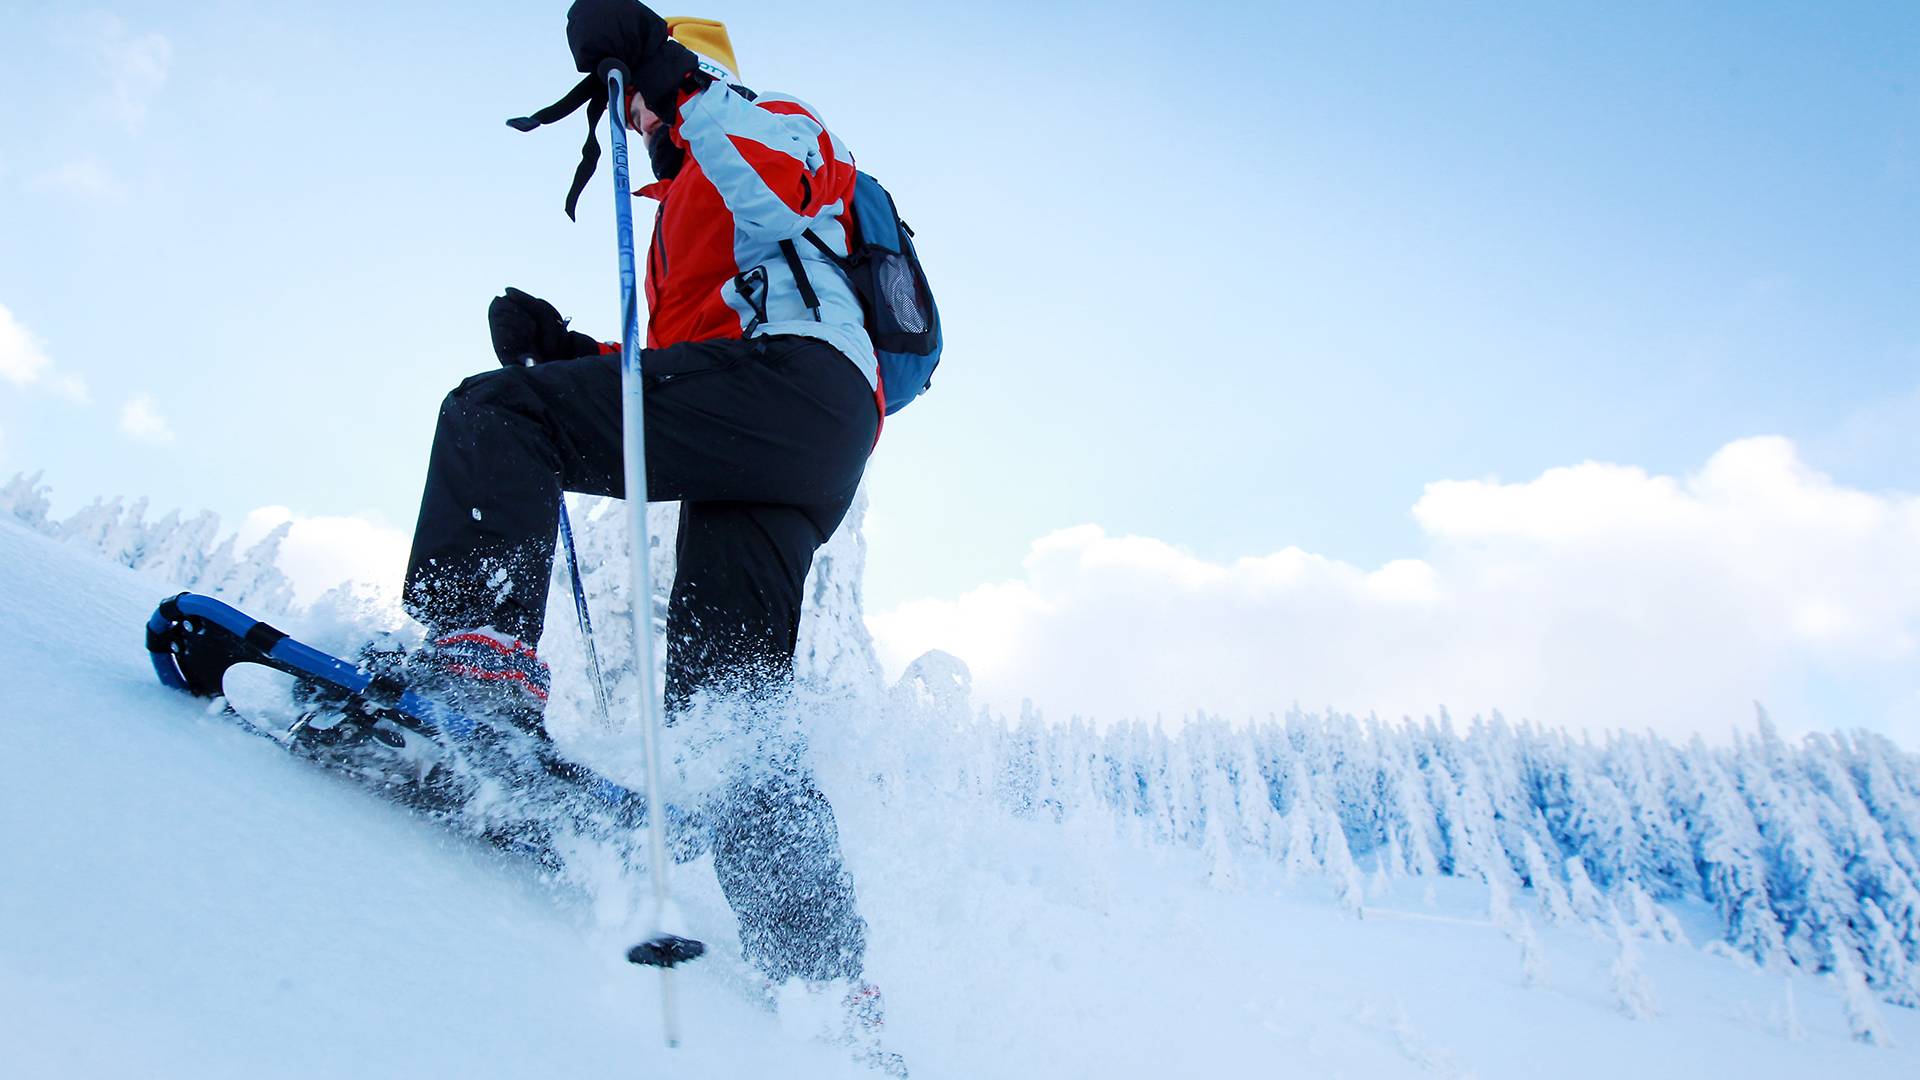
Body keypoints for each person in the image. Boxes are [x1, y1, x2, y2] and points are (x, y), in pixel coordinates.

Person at [398, 2, 899, 1070]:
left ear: (681, 73)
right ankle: (824, 977)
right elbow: (681, 363)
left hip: (798, 393)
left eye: (633, 102)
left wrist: (672, 77)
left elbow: (787, 176)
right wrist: (573, 349)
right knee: (724, 714)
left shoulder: (766, 124)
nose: (627, 122)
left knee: (495, 415)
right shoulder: (688, 207)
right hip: (784, 435)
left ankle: (475, 679)